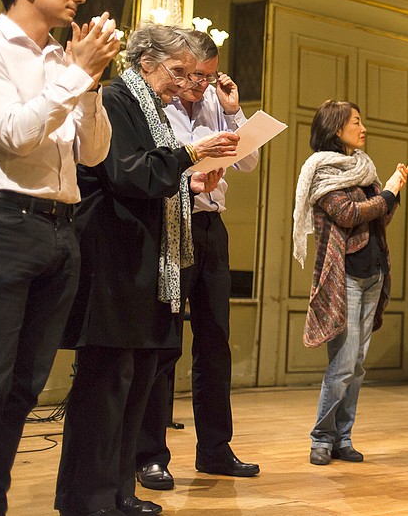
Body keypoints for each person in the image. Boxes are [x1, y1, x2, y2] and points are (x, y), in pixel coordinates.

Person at [54, 23, 239, 516]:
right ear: (146, 61)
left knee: (134, 381)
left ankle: (117, 491)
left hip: (145, 259)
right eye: (177, 71)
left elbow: (152, 172)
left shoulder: (149, 108)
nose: (182, 82)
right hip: (114, 260)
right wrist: (192, 155)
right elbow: (127, 173)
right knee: (106, 385)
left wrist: (192, 186)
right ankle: (86, 497)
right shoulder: (117, 98)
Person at [0, 0, 117, 516]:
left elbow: (95, 155)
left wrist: (90, 83)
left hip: (61, 229)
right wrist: (75, 76)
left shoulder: (64, 62)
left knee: (24, 390)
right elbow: (14, 133)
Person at [135, 31, 260, 490]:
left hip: (211, 226)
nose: (200, 86)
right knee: (164, 342)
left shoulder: (214, 103)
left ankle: (214, 449)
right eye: (194, 77)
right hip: (170, 224)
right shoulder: (156, 101)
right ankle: (150, 453)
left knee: (215, 341)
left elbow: (248, 164)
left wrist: (232, 109)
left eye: (208, 77)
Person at [292, 100, 408, 466]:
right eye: (356, 122)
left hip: (373, 274)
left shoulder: (363, 168)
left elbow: (377, 220)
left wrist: (394, 191)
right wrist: (387, 192)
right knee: (342, 364)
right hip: (344, 279)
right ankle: (321, 439)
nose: (363, 128)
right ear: (336, 127)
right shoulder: (322, 171)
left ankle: (343, 437)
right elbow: (348, 214)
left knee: (357, 365)